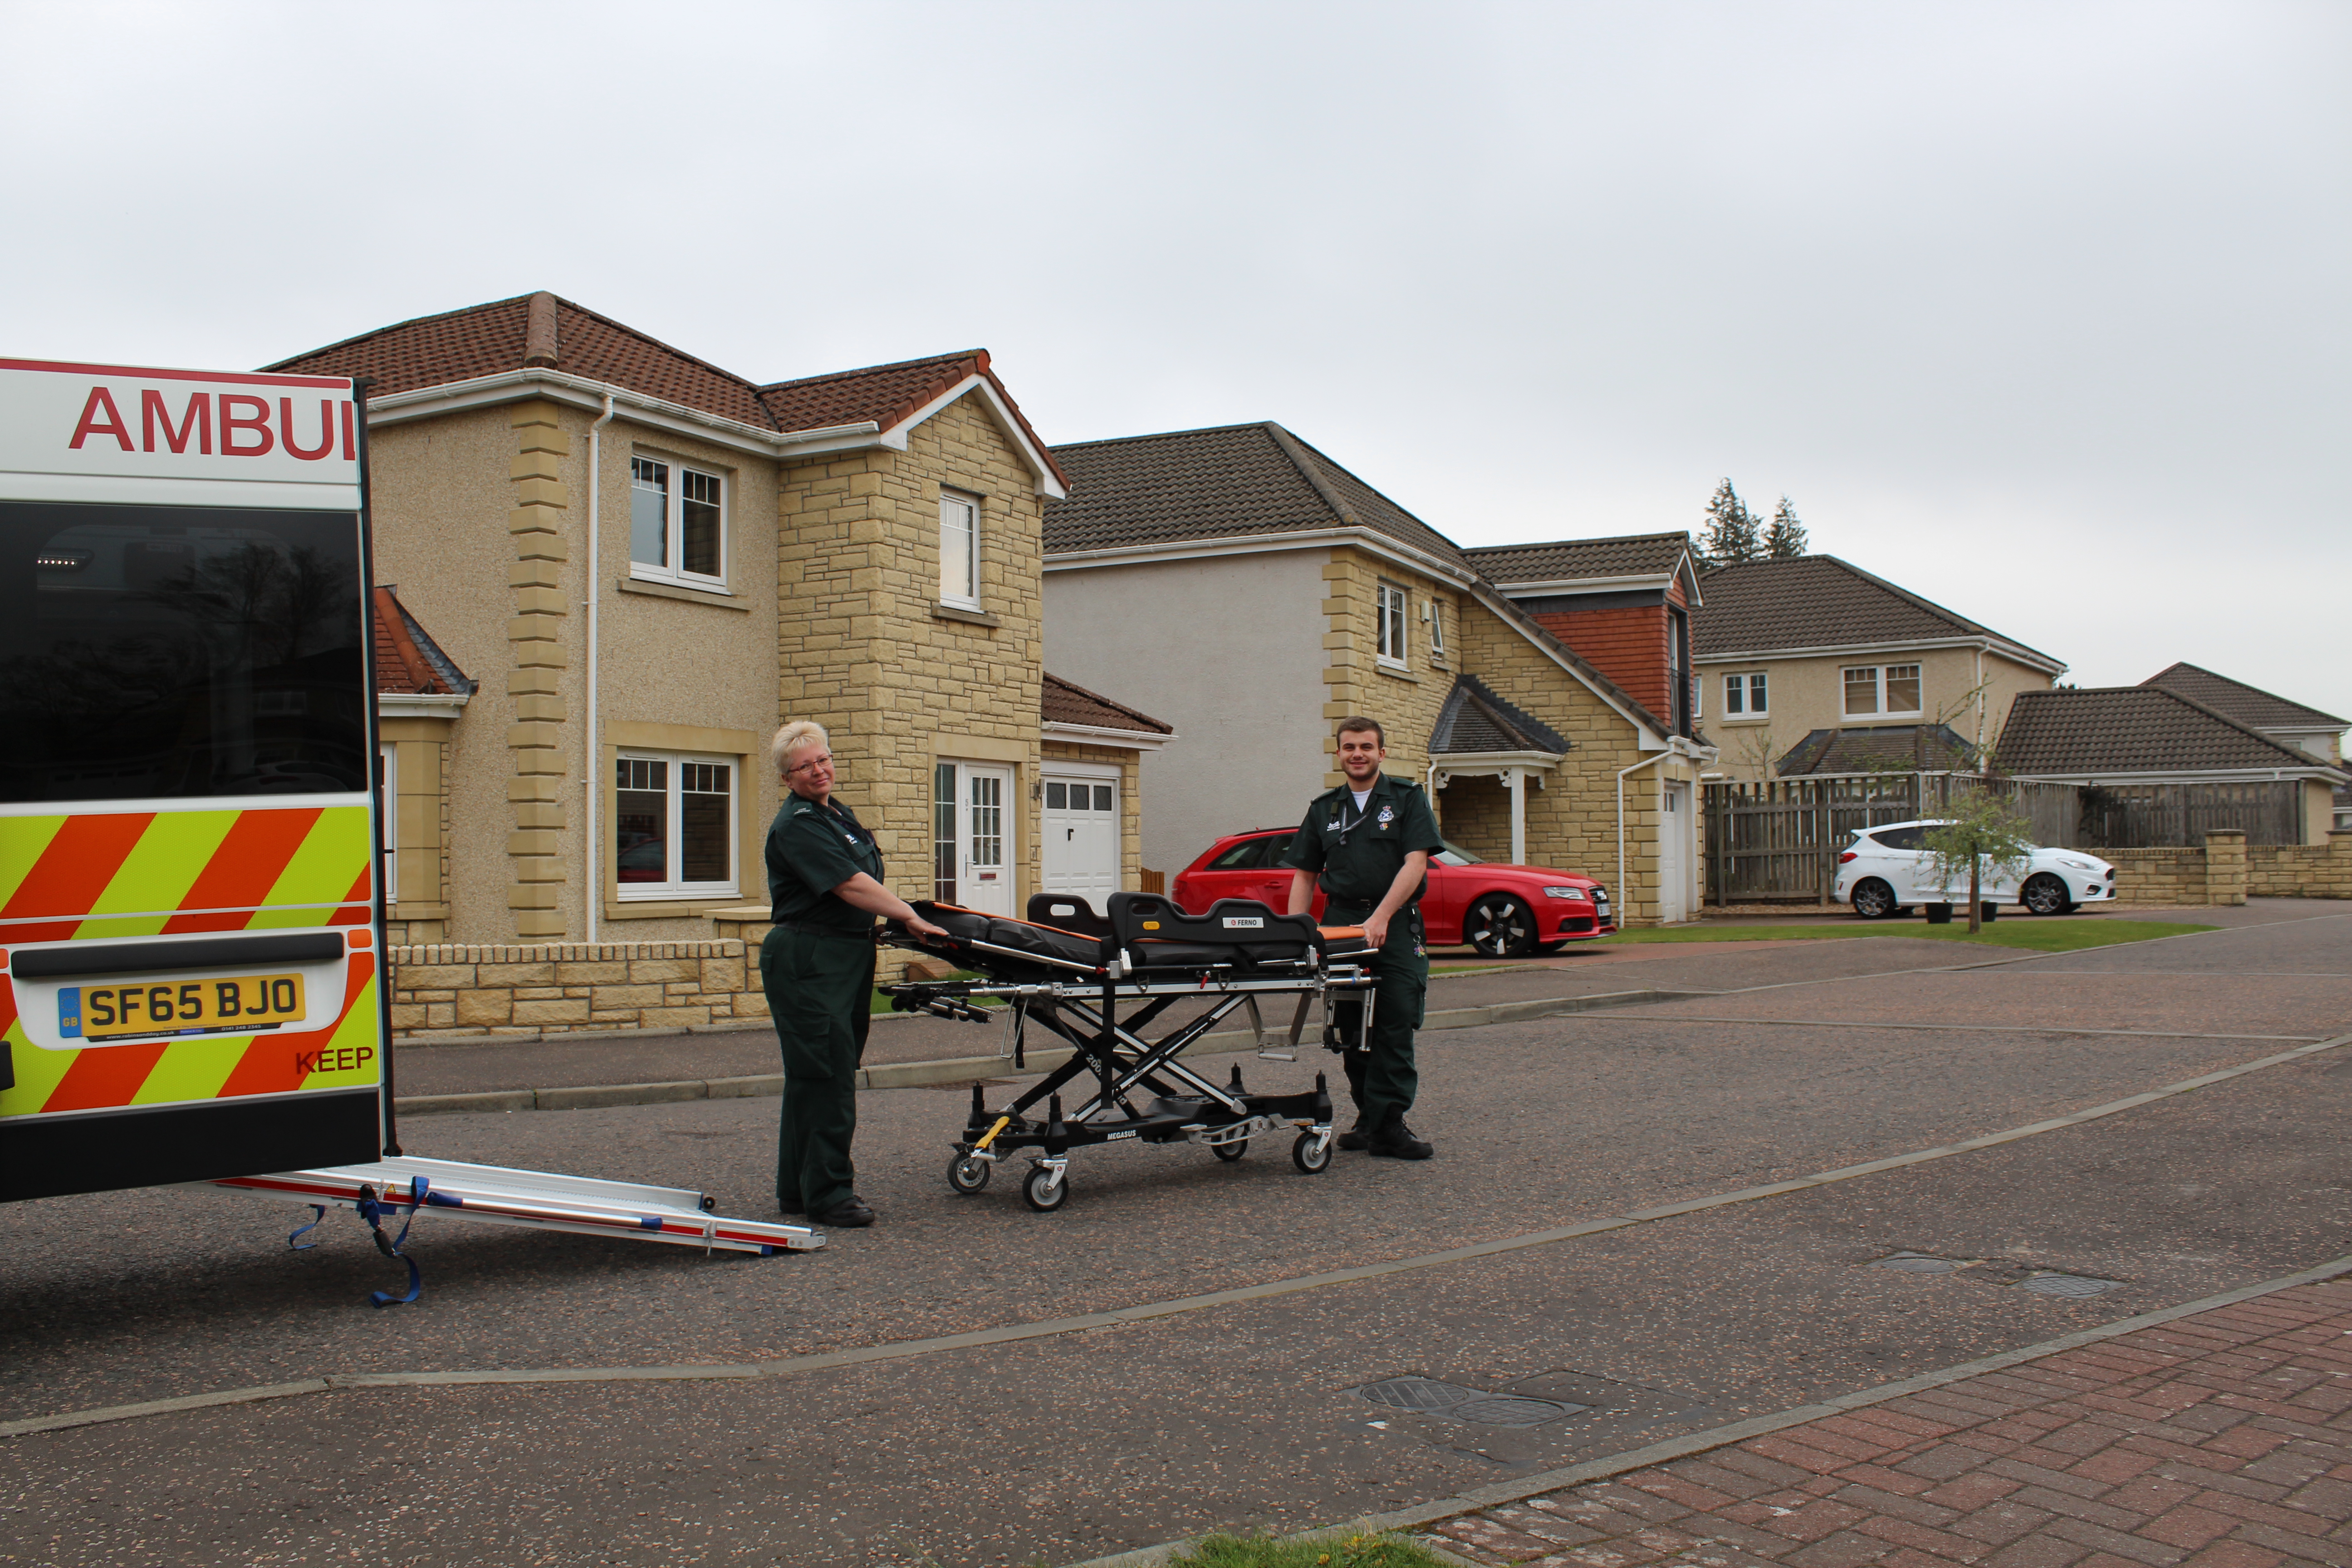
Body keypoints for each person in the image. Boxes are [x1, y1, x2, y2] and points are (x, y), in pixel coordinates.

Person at [761, 721, 947, 1228]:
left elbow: (863, 879)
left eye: (823, 760)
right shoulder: (797, 824)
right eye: (804, 766)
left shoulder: (834, 813)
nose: (818, 770)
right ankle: (829, 1195)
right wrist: (906, 914)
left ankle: (798, 1190)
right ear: (787, 778)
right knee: (826, 1075)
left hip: (845, 956)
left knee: (815, 1076)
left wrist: (900, 915)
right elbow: (848, 885)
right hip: (810, 958)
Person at [1278, 715, 1442, 1159]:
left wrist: (1384, 915)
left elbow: (1415, 864)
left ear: (1381, 753)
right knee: (1351, 1027)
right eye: (1349, 747)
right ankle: (1369, 1117)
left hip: (1395, 925)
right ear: (1339, 754)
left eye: (1366, 747)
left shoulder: (1407, 800)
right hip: (1342, 926)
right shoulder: (1324, 809)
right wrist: (1297, 932)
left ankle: (1390, 1123)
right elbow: (1305, 874)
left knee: (1395, 1018)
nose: (1357, 754)